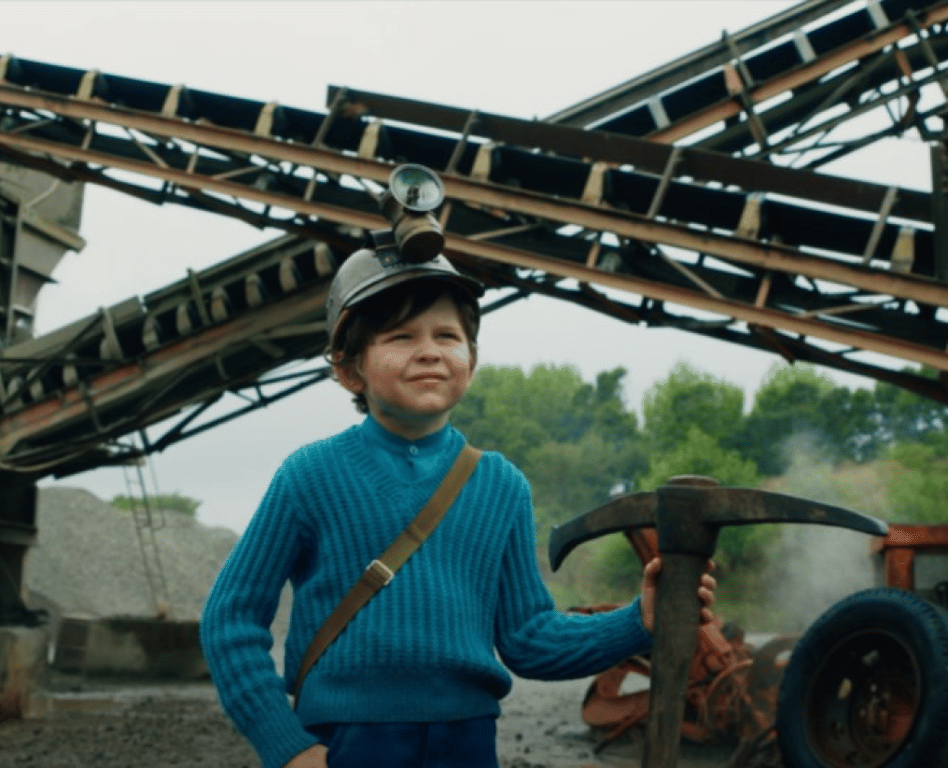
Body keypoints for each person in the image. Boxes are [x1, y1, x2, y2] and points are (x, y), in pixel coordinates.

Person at [200, 246, 716, 768]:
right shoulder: (309, 476)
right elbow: (230, 618)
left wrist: (638, 620)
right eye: (401, 337)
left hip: (466, 743)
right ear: (351, 368)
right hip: (347, 742)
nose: (429, 352)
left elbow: (527, 637)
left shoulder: (501, 485)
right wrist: (286, 745)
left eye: (447, 336)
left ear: (470, 363)